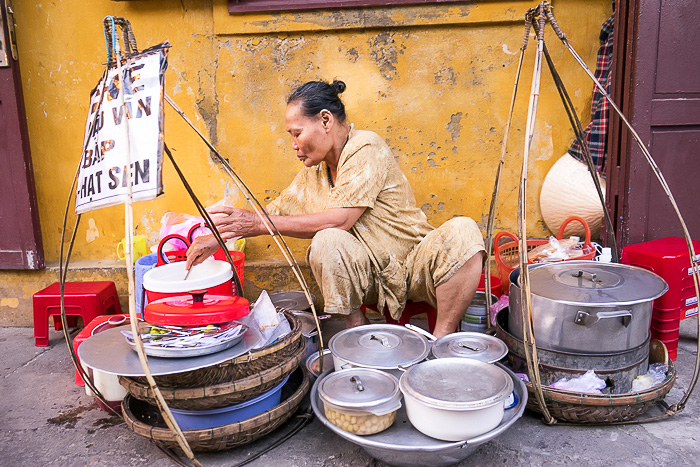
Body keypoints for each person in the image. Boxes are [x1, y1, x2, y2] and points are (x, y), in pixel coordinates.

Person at [186, 80, 485, 338]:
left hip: (414, 265)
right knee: (326, 242)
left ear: (326, 121)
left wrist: (254, 222)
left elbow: (341, 219)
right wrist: (217, 238)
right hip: (370, 277)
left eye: (296, 132)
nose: (293, 144)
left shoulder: (366, 147)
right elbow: (272, 213)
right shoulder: (313, 174)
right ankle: (357, 332)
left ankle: (440, 343)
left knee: (464, 232)